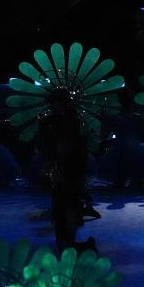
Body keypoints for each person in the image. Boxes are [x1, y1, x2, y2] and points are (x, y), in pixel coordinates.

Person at [40, 90, 95, 252]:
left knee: (69, 202)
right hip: (65, 167)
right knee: (65, 203)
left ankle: (67, 242)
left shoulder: (66, 120)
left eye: (54, 102)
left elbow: (69, 145)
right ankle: (66, 242)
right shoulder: (53, 121)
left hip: (70, 166)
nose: (51, 106)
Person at [97, 89, 144, 188]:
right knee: (123, 182)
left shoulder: (137, 118)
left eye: (127, 100)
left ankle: (133, 179)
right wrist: (105, 123)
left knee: (134, 182)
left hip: (132, 151)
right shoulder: (120, 118)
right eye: (125, 100)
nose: (127, 102)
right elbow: (103, 136)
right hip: (124, 151)